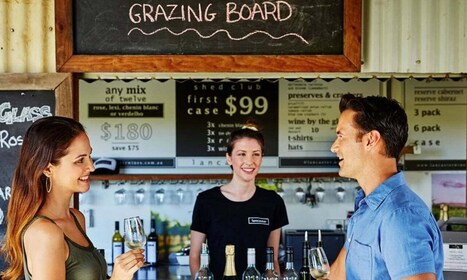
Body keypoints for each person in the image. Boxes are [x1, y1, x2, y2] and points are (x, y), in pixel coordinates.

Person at [1, 116, 145, 280]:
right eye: (80, 160)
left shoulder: (76, 218)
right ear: (48, 169)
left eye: (90, 156)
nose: (91, 166)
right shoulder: (45, 233)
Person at [328, 94, 444, 280]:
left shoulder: (400, 216)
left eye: (341, 136)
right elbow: (337, 276)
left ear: (370, 140)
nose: (334, 147)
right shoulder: (367, 209)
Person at [189, 120, 289, 280]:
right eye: (241, 154)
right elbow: (195, 256)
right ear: (229, 158)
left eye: (256, 154)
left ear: (262, 157)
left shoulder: (273, 202)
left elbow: (273, 258)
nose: (249, 161)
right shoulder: (206, 201)